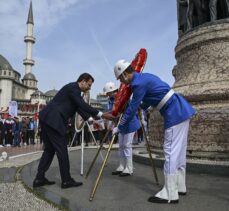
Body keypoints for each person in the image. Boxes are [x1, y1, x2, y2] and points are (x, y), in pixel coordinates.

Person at [111, 59, 196, 203]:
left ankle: (170, 192)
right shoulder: (145, 77)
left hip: (174, 112)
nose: (122, 83)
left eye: (120, 79)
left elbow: (131, 109)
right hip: (180, 110)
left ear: (125, 74)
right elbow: (150, 98)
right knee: (179, 152)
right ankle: (179, 186)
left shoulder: (137, 84)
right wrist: (140, 105)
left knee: (170, 152)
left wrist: (120, 126)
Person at [33, 73, 104, 189]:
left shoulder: (73, 91)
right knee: (62, 151)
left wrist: (91, 120)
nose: (89, 88)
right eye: (89, 85)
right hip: (54, 121)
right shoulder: (73, 88)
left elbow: (79, 108)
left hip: (47, 120)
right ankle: (66, 180)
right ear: (83, 81)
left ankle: (39, 178)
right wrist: (100, 114)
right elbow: (81, 104)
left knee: (49, 150)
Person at [104, 81, 140, 176]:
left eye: (108, 93)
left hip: (129, 123)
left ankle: (129, 168)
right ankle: (121, 166)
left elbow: (128, 111)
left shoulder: (124, 96)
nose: (107, 95)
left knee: (127, 145)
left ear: (112, 91)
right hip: (120, 125)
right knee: (121, 146)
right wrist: (110, 122)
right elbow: (112, 113)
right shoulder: (111, 100)